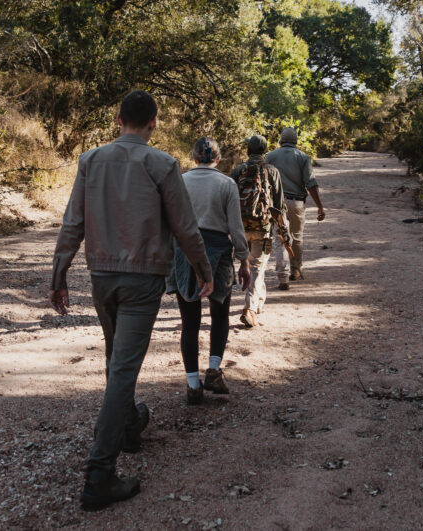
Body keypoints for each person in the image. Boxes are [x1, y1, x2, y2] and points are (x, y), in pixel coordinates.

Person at [49, 90, 213, 511]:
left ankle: (128, 426)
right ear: (153, 122)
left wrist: (59, 273)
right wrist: (204, 270)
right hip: (143, 279)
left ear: (117, 118)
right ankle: (100, 473)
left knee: (114, 360)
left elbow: (73, 221)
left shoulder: (90, 160)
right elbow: (185, 228)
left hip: (102, 276)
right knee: (122, 369)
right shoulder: (161, 163)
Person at [166, 137, 252, 405]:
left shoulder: (179, 181)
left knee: (189, 323)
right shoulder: (226, 184)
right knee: (220, 315)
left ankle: (193, 386)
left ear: (193, 158)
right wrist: (244, 260)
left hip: (184, 251)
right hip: (217, 252)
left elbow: (169, 222)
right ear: (218, 158)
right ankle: (213, 369)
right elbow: (236, 228)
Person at [230, 134, 288, 328]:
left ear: (248, 150)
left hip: (240, 226)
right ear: (264, 151)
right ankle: (250, 309)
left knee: (254, 266)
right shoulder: (272, 171)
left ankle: (258, 302)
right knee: (257, 266)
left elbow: (229, 199)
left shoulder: (238, 170)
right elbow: (279, 205)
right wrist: (282, 229)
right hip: (262, 227)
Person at [266, 127, 326, 285]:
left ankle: (282, 275)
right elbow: (311, 183)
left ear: (280, 140)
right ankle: (296, 269)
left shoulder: (270, 156)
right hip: (297, 202)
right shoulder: (303, 157)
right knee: (296, 237)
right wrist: (320, 206)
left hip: (276, 204)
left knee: (280, 238)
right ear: (296, 141)